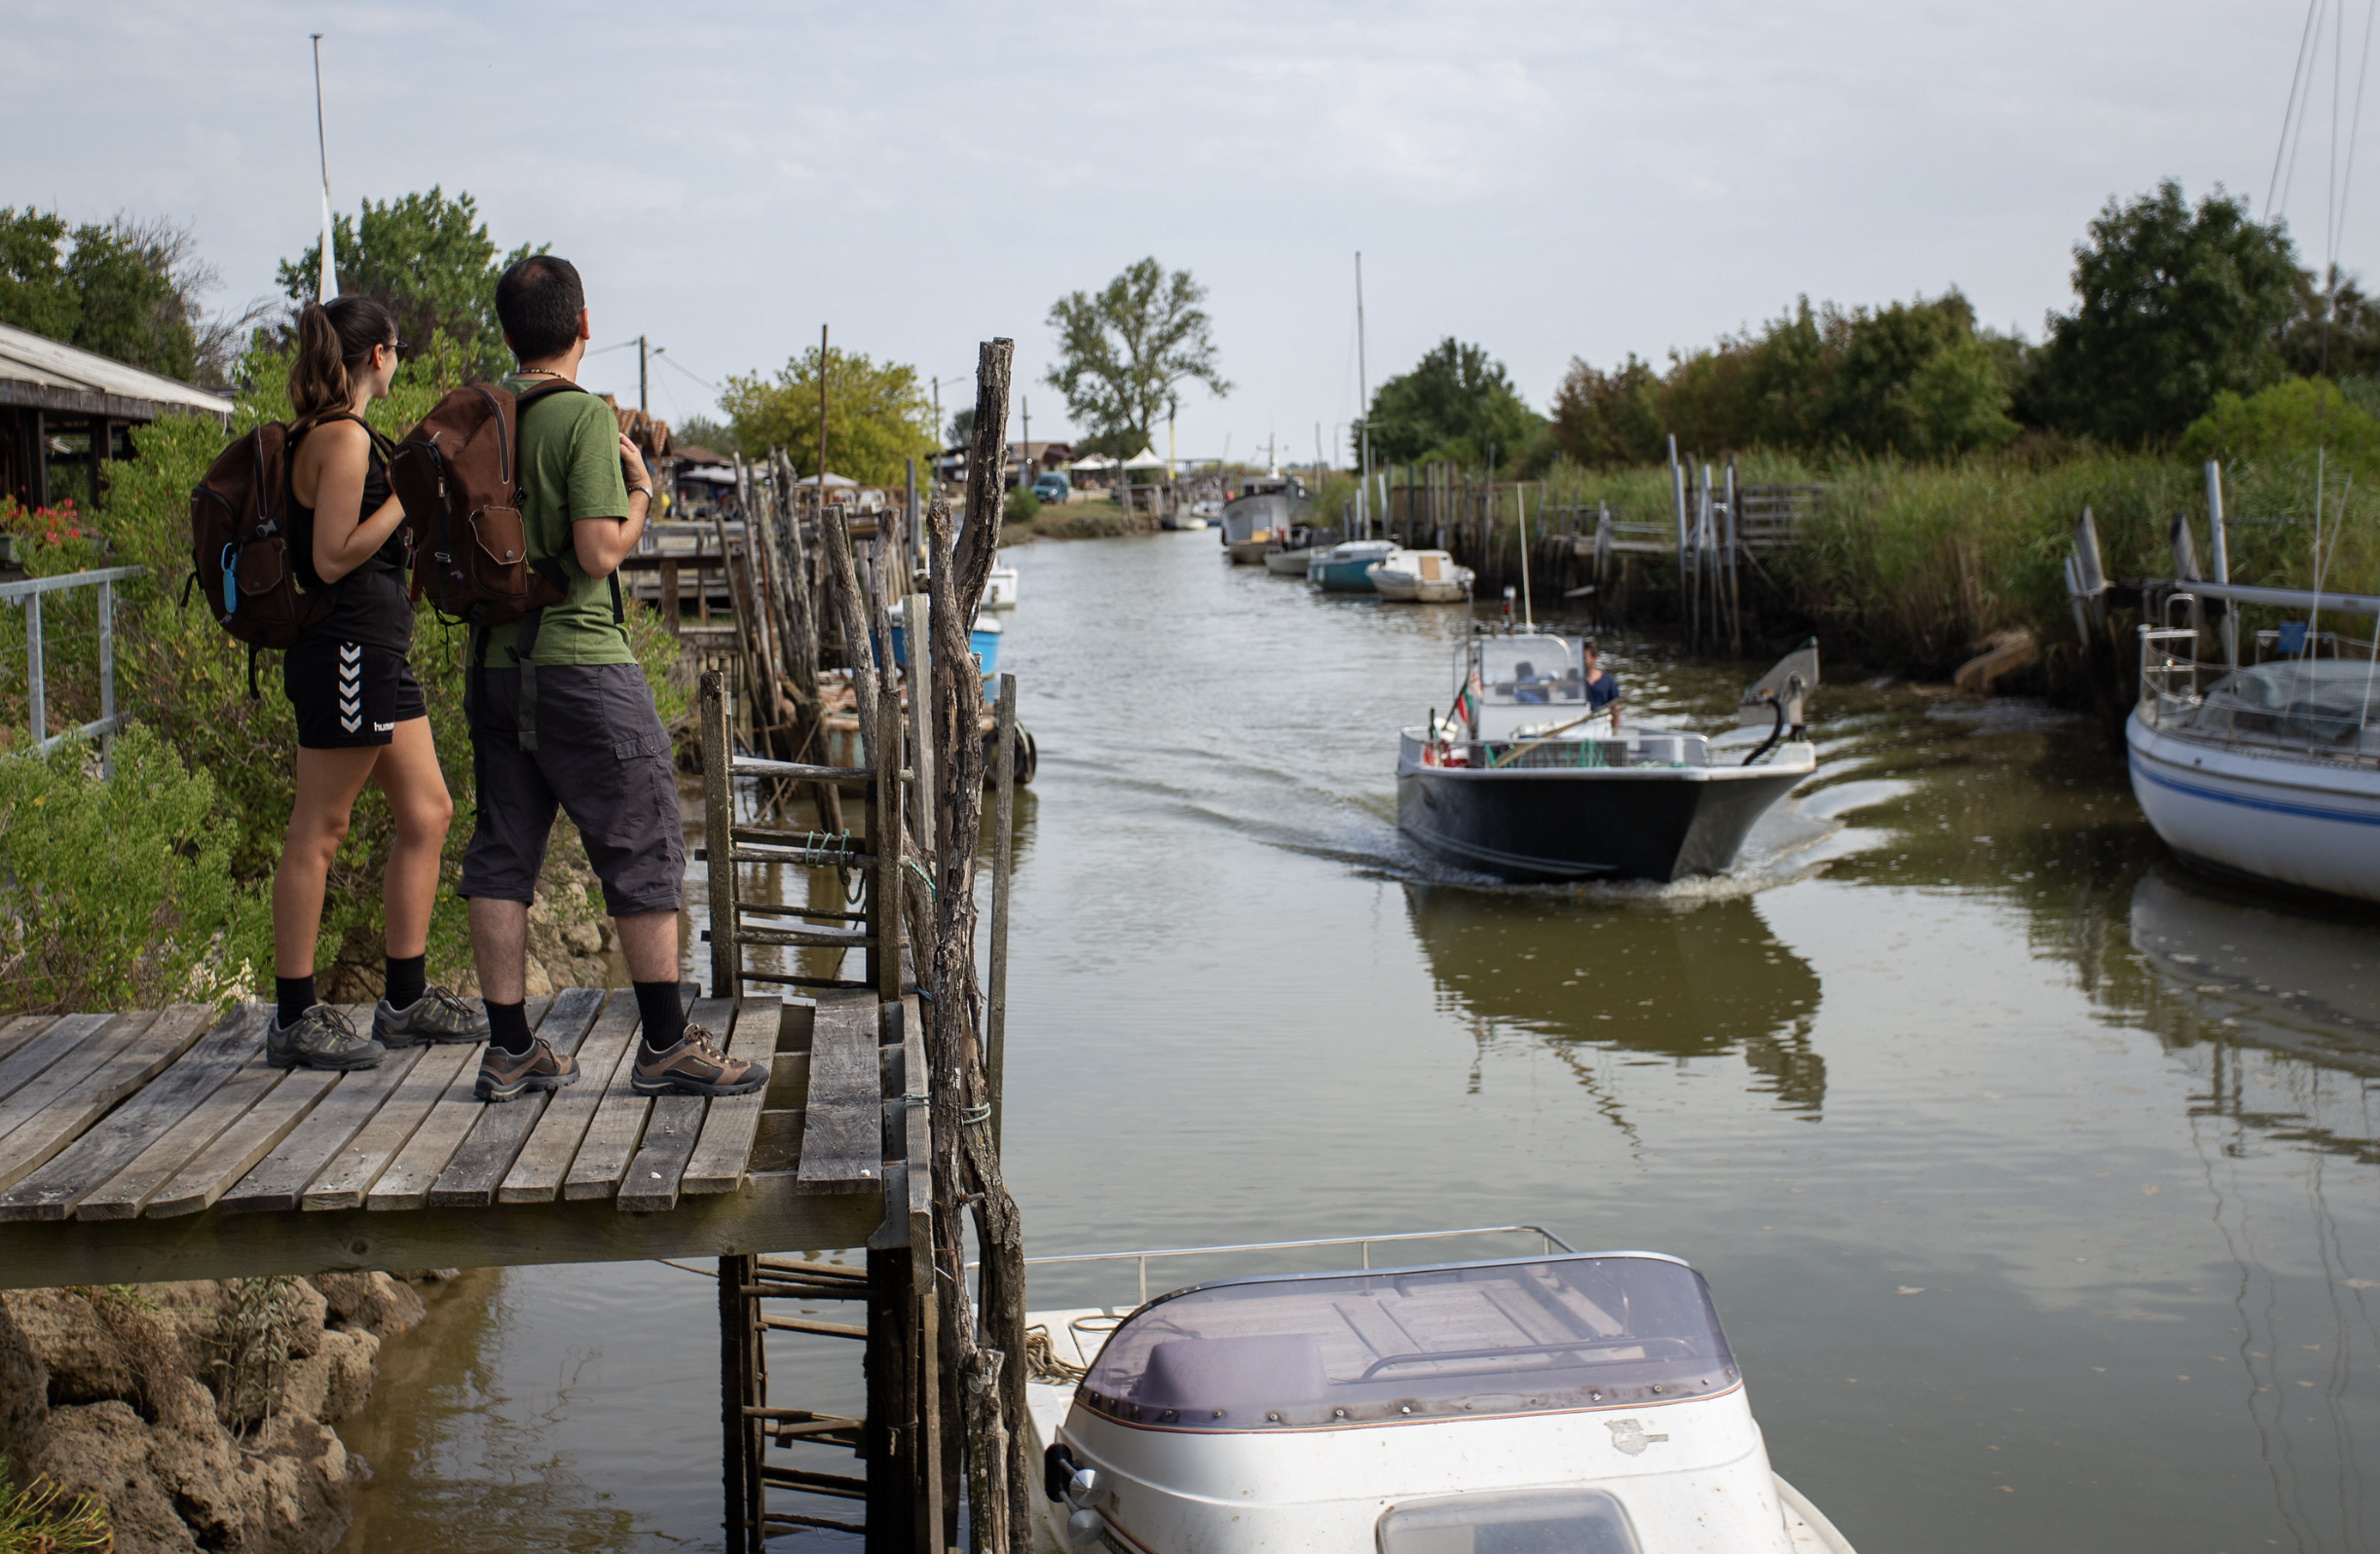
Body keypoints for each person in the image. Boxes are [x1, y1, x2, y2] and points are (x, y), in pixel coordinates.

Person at [460, 255, 765, 1103]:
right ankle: (667, 1044)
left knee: (502, 853)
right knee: (644, 841)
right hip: (581, 665)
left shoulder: (485, 415)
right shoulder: (581, 419)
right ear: (584, 325)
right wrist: (642, 495)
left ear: (506, 330)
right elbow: (598, 551)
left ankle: (511, 1048)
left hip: (491, 665)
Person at [268, 298, 488, 1071]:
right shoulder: (342, 438)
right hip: (344, 654)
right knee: (318, 829)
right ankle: (294, 1016)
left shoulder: (341, 435)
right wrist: (406, 498)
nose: (401, 364)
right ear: (380, 356)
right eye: (398, 352)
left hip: (376, 654)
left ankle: (404, 1000)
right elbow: (330, 557)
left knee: (428, 811)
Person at [1581, 643, 1622, 730]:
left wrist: (1615, 730)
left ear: (1594, 658)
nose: (1582, 661)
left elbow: (1615, 707)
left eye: (1585, 658)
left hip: (1601, 725)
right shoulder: (1574, 678)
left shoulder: (1608, 680)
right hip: (1580, 725)